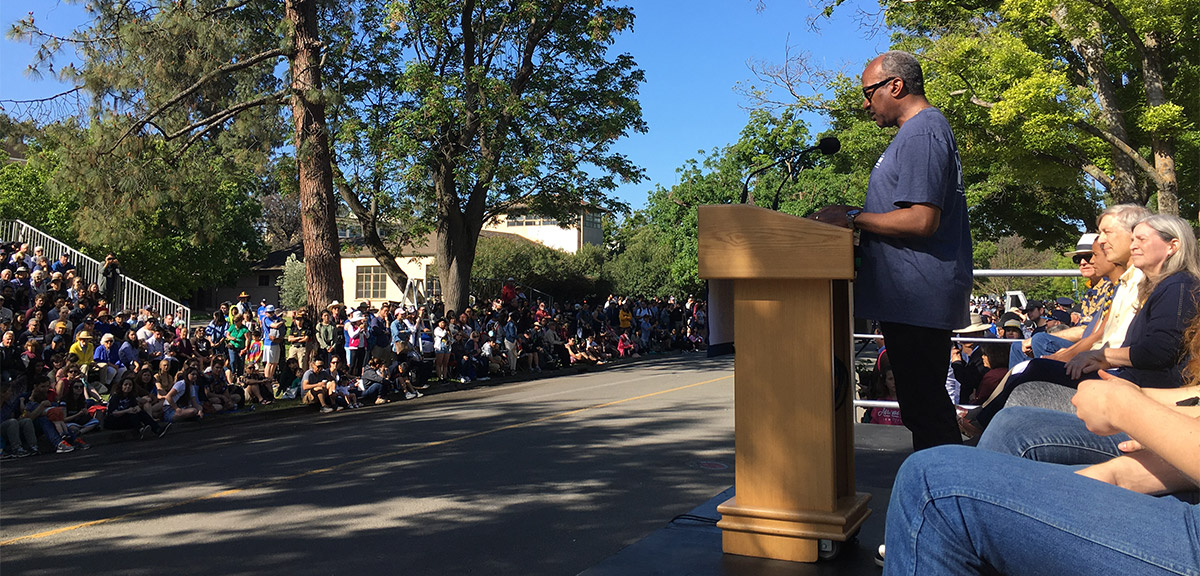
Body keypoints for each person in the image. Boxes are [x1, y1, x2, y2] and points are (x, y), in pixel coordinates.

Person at [882, 354, 1200, 574]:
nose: (1089, 257)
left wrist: (1127, 408)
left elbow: (1152, 352)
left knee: (929, 486)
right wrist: (1128, 467)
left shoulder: (1177, 290)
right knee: (1012, 423)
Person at [810, 50, 971, 450]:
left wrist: (852, 216)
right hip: (908, 297)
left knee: (927, 412)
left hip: (918, 295)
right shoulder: (916, 133)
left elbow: (921, 220)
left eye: (869, 93)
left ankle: (944, 499)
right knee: (921, 409)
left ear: (895, 86)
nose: (866, 104)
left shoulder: (922, 132)